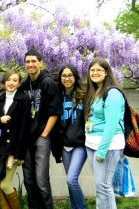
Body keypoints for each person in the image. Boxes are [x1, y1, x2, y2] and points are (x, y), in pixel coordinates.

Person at [19, 48, 62, 209]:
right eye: (27, 62)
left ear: (40, 62)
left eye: (33, 61)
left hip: (42, 137)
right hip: (27, 138)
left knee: (41, 179)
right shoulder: (24, 85)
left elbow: (55, 111)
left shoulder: (47, 82)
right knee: (28, 178)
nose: (30, 64)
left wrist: (44, 134)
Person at [84, 58, 125, 209]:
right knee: (100, 186)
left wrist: (101, 151)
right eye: (92, 70)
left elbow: (111, 125)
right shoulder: (96, 91)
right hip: (92, 145)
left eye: (99, 70)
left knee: (104, 186)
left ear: (106, 73)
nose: (95, 73)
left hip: (107, 147)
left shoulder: (113, 93)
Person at [0, 70, 30, 209]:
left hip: (14, 149)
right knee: (1, 186)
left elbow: (24, 128)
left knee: (5, 184)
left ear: (19, 84)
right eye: (9, 80)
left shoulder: (23, 99)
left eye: (15, 80)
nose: (11, 83)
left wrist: (16, 155)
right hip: (0, 149)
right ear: (3, 82)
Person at [56, 65, 87, 209]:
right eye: (64, 76)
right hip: (64, 145)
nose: (67, 78)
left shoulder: (83, 94)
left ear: (75, 77)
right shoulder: (57, 95)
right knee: (71, 181)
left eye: (70, 75)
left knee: (71, 179)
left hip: (80, 145)